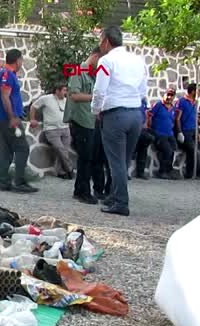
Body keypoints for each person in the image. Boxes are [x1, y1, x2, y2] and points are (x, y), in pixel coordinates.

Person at [91, 25, 148, 216]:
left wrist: (95, 110)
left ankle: (121, 202)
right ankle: (115, 196)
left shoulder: (107, 61)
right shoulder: (138, 60)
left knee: (116, 161)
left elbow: (100, 89)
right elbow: (143, 90)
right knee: (123, 160)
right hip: (135, 114)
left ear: (106, 41)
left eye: (100, 41)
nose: (100, 45)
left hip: (115, 114)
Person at [0, 49, 38, 193]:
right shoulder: (8, 75)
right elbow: (5, 97)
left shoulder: (4, 73)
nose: (22, 63)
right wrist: (12, 117)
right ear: (18, 60)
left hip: (2, 118)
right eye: (21, 60)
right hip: (8, 119)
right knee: (22, 148)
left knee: (6, 150)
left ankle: (4, 182)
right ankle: (19, 182)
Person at [67, 47, 101, 205]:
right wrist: (95, 97)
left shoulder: (92, 76)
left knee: (89, 157)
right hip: (80, 120)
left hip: (90, 120)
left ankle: (80, 190)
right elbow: (74, 95)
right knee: (85, 157)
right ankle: (83, 192)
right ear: (94, 56)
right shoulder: (77, 71)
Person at [30, 84, 73, 180]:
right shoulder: (46, 98)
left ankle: (61, 172)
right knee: (60, 149)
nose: (65, 93)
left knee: (63, 151)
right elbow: (34, 106)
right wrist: (32, 119)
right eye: (64, 90)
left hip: (65, 128)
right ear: (57, 91)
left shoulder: (66, 101)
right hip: (51, 129)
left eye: (66, 90)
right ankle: (70, 168)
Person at [148, 89, 178, 180]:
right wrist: (150, 128)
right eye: (168, 95)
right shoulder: (158, 105)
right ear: (164, 95)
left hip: (170, 134)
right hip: (159, 133)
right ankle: (162, 172)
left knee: (173, 149)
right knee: (167, 150)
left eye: (171, 95)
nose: (169, 97)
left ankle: (169, 170)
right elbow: (150, 115)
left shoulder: (173, 108)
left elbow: (172, 120)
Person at [175, 83, 200, 179]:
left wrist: (197, 131)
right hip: (185, 131)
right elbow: (177, 118)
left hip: (194, 130)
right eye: (198, 90)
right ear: (193, 91)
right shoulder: (182, 102)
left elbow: (195, 118)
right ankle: (191, 173)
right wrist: (179, 132)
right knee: (193, 151)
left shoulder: (195, 102)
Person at [133, 98, 154, 179]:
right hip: (134, 129)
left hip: (142, 129)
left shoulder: (143, 101)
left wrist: (146, 123)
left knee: (146, 142)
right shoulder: (132, 99)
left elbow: (145, 113)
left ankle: (140, 172)